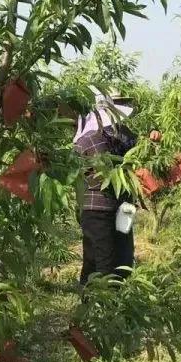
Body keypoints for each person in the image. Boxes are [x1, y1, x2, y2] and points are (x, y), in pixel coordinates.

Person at [72, 90, 137, 285]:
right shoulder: (125, 137)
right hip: (118, 206)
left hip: (99, 208)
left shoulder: (87, 139)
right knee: (115, 259)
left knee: (100, 259)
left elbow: (73, 171)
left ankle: (97, 304)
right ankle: (104, 305)